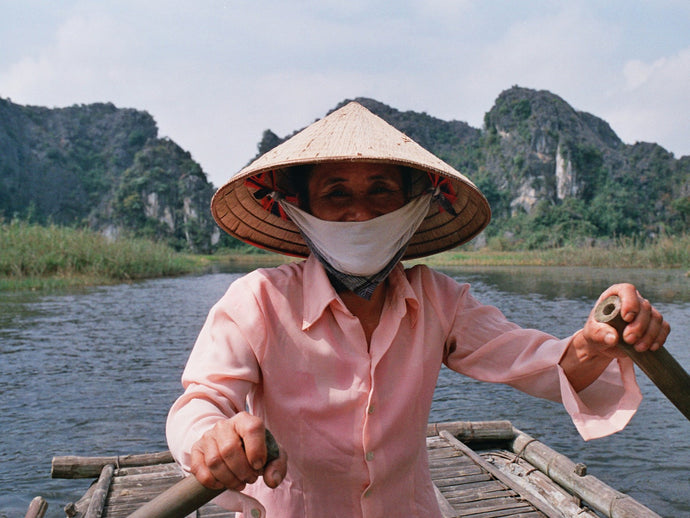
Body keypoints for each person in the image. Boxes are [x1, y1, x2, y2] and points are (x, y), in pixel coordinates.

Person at [166, 102, 669, 517]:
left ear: (415, 204)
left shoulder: (438, 301)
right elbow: (200, 403)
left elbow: (543, 363)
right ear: (302, 210)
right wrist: (214, 437)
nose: (360, 212)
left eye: (381, 190)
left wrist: (597, 339)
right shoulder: (256, 301)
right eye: (335, 193)